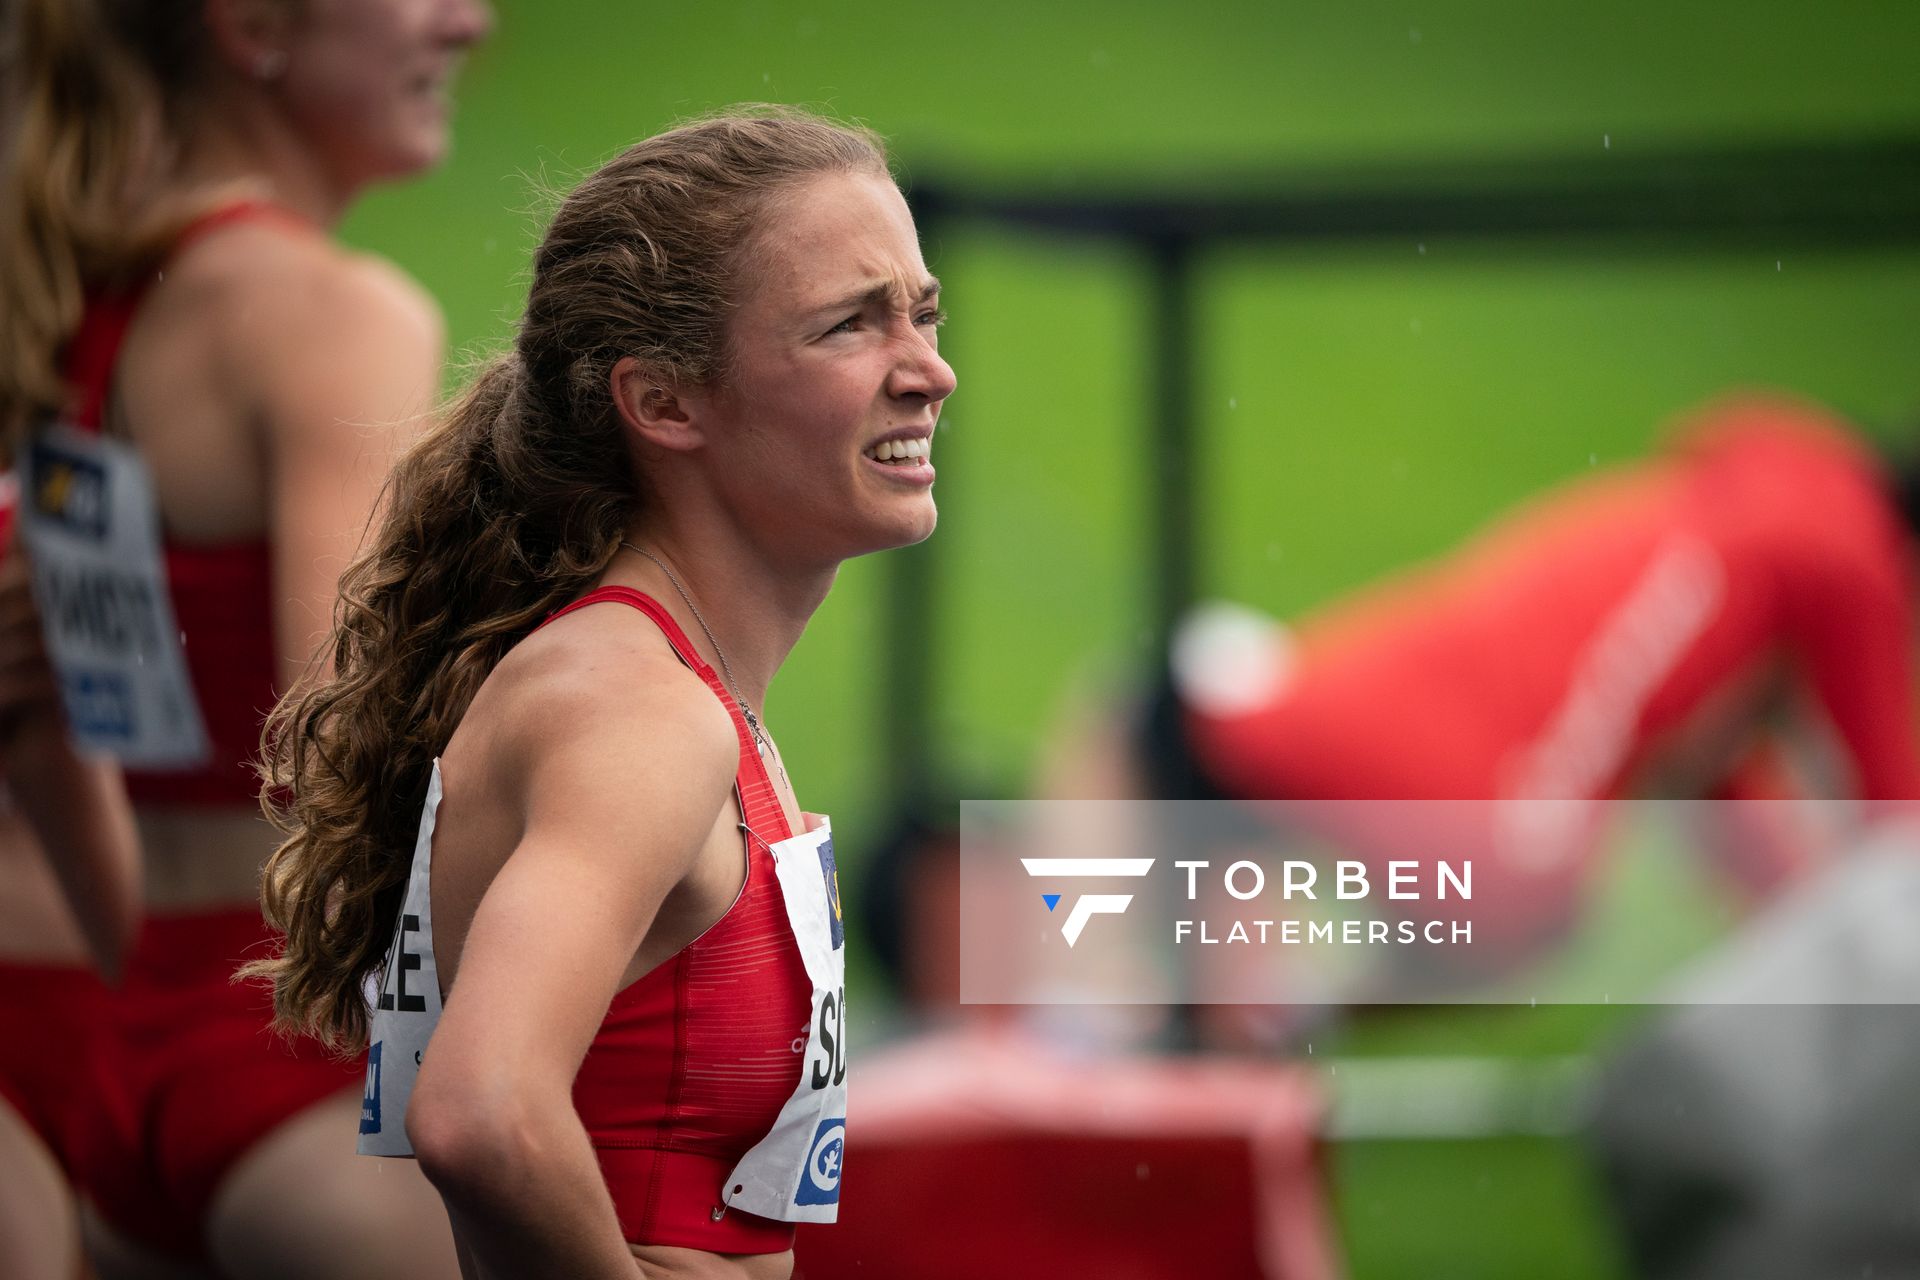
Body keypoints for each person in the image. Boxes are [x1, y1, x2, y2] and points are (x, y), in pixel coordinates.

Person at [245, 107, 952, 1279]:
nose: (930, 370)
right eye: (850, 326)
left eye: (921, 312)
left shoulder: (664, 681)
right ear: (666, 403)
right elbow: (480, 1111)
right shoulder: (634, 710)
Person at [0, 0, 489, 1275]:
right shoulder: (331, 316)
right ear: (255, 27)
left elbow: (66, 728)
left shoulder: (65, 300)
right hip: (294, 1054)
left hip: (122, 1032)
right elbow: (354, 747)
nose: (471, 21)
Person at [1027, 393, 1920, 996]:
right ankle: (1248, 1031)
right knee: (1221, 798)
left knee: (1132, 717)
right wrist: (1836, 962)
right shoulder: (1838, 548)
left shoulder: (1776, 515)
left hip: (1454, 789)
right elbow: (1870, 811)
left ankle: (1068, 1006)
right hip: (1517, 867)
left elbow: (1882, 826)